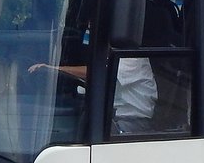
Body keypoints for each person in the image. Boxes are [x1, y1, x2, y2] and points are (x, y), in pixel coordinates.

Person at [28, 57, 157, 133]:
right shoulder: (107, 55)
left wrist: (55, 68)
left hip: (132, 123)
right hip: (111, 117)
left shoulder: (132, 57)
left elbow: (98, 72)